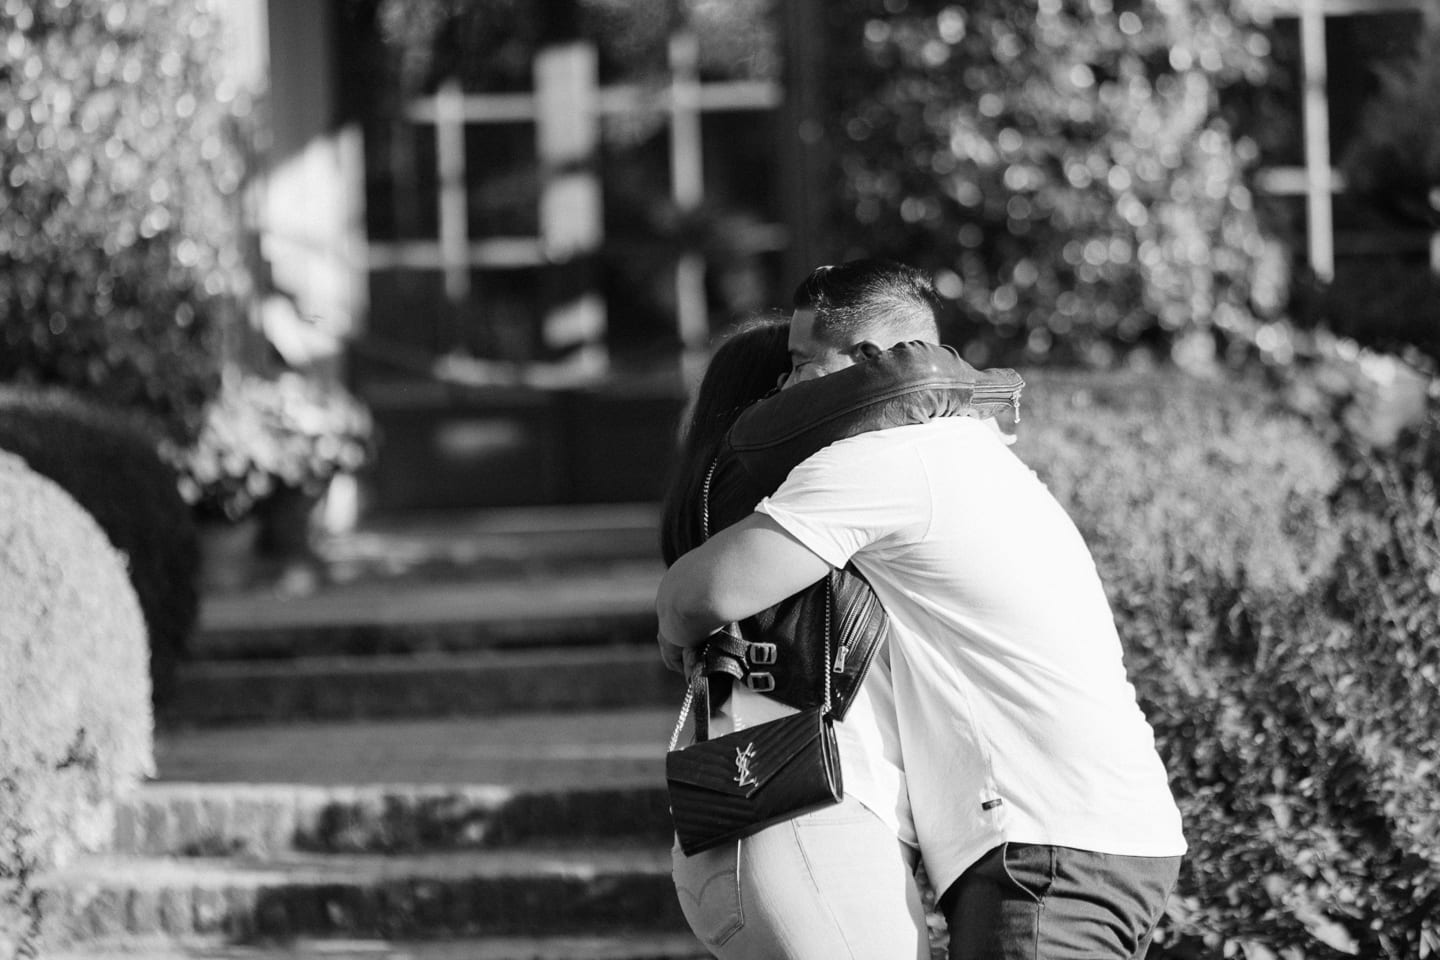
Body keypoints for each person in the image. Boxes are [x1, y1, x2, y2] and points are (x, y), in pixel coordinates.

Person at [657, 259, 1186, 960]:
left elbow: (702, 594)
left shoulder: (884, 458)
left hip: (1048, 845)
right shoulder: (960, 447)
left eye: (801, 364)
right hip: (1073, 836)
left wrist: (677, 635)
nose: (784, 390)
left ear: (869, 363)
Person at [660, 316, 1022, 959]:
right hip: (810, 828)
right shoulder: (810, 501)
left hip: (735, 829)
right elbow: (912, 381)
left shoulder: (730, 515)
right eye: (798, 371)